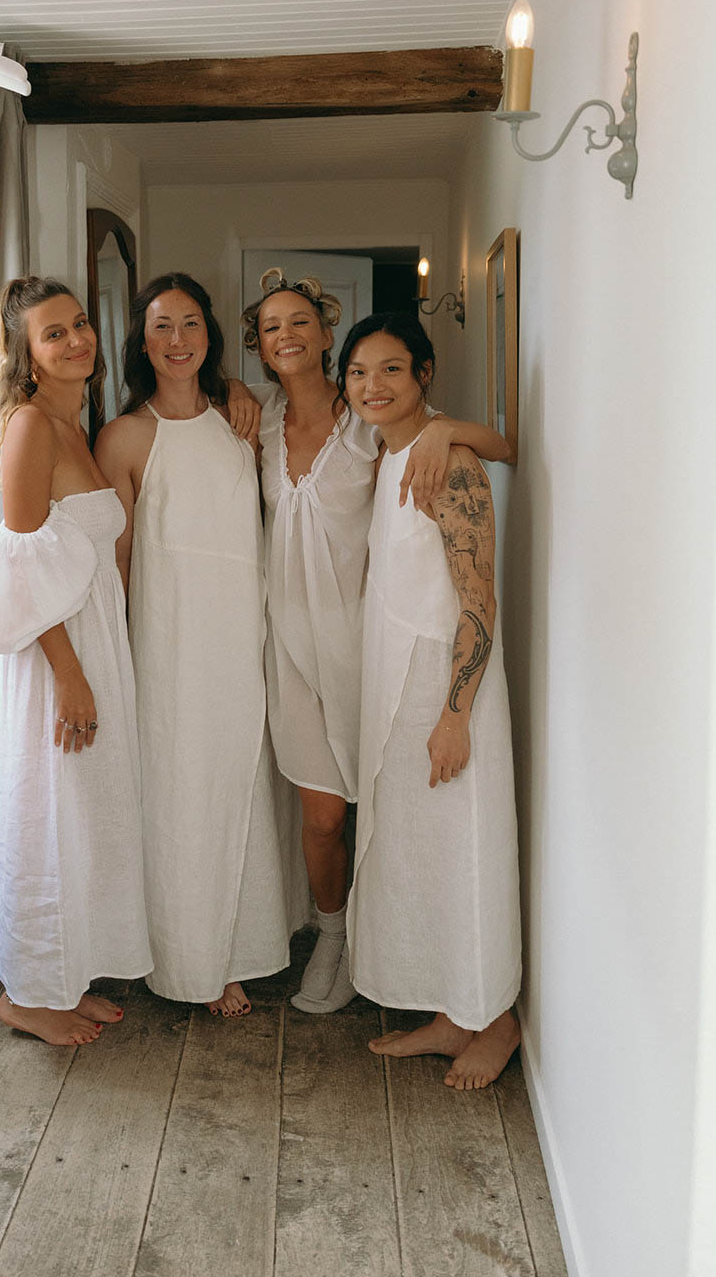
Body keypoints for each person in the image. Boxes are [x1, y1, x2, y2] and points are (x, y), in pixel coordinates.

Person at [239, 269, 511, 1015]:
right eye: (270, 326)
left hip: (368, 646)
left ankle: (398, 954)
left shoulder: (370, 418)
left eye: (301, 320)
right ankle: (332, 937)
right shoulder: (252, 420)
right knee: (323, 817)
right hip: (289, 646)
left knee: (391, 811)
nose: (287, 334)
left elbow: (497, 446)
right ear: (258, 348)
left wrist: (450, 428)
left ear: (326, 332)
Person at [96, 274, 306, 1018]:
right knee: (180, 794)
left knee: (241, 784)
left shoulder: (240, 419)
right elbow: (115, 562)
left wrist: (239, 391)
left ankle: (241, 950)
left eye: (190, 324)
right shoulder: (122, 436)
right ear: (141, 341)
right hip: (168, 645)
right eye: (161, 326)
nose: (177, 339)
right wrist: (115, 661)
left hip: (242, 634)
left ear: (210, 336)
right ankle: (188, 958)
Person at [0, 276, 152, 1047]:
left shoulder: (79, 424)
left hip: (95, 640)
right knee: (48, 819)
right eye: (52, 334)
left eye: (78, 326)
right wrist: (69, 674)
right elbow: (21, 568)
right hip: (53, 658)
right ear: (27, 356)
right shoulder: (30, 426)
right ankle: (26, 993)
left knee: (90, 817)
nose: (76, 340)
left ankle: (69, 976)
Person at [340, 312, 521, 1089]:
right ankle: (451, 1016)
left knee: (463, 851)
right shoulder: (390, 460)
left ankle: (495, 1020)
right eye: (356, 372)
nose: (370, 386)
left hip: (447, 687)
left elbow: (477, 600)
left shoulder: (446, 464)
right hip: (395, 685)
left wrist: (455, 716)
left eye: (389, 370)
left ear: (422, 375)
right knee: (417, 858)